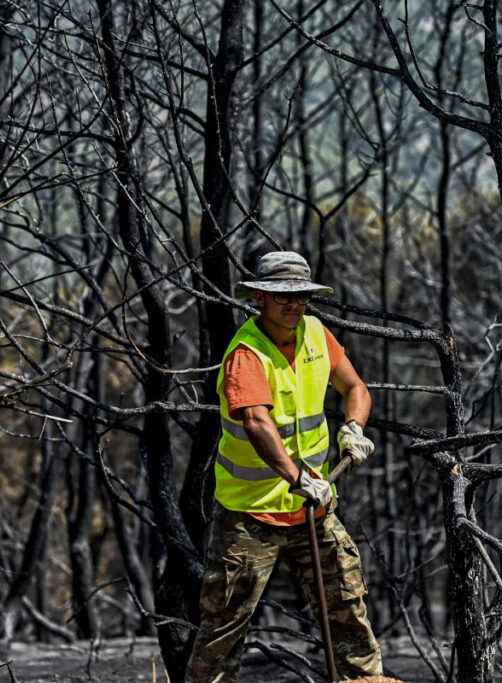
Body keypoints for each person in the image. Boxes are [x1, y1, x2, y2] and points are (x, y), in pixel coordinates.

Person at [185, 251, 383, 682]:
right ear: (259, 297)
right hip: (250, 515)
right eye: (282, 297)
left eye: (300, 297)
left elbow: (355, 387)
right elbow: (256, 422)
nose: (293, 306)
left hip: (313, 507)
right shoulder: (247, 355)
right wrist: (297, 478)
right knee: (224, 628)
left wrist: (354, 427)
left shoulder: (316, 333)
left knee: (348, 609)